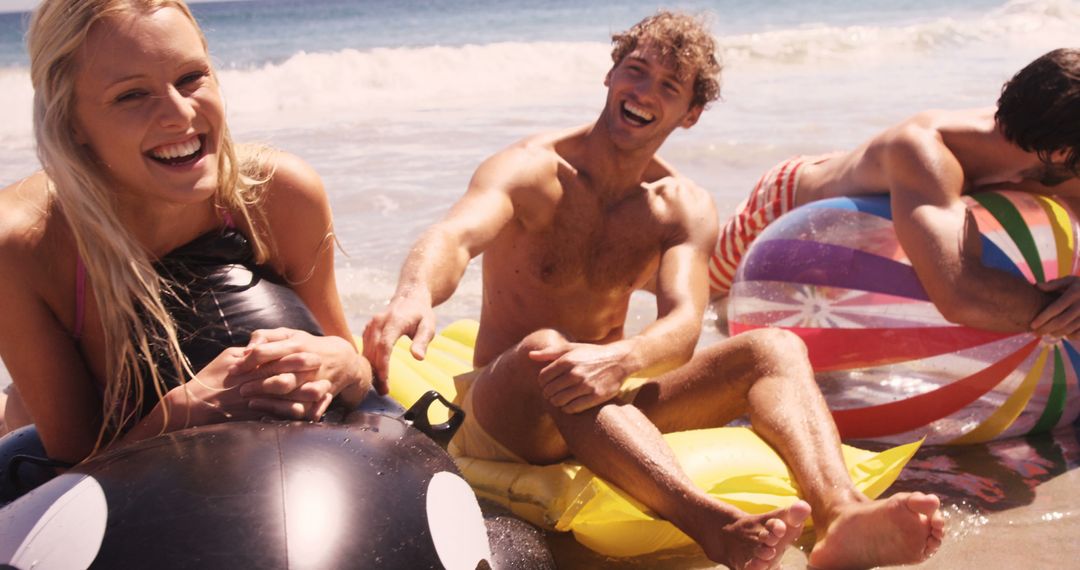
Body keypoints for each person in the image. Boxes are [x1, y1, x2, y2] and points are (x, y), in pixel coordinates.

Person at [365, 11, 944, 569]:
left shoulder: (679, 207)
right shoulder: (533, 171)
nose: (645, 91)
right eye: (636, 70)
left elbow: (686, 322)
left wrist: (623, 358)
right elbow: (455, 236)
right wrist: (415, 292)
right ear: (610, 76)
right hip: (509, 404)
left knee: (775, 348)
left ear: (689, 113)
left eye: (669, 85)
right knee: (548, 346)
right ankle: (712, 524)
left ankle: (842, 516)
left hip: (608, 398)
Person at [0, 0, 371, 465]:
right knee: (17, 419)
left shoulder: (279, 196)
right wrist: (184, 411)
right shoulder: (25, 244)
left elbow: (355, 369)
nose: (179, 114)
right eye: (131, 95)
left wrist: (343, 363)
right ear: (71, 121)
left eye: (191, 78)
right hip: (97, 448)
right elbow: (74, 469)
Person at [709, 48, 1080, 340]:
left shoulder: (1042, 154)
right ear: (1062, 151)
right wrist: (1062, 314)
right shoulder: (924, 150)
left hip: (878, 222)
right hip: (785, 210)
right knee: (711, 311)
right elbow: (960, 295)